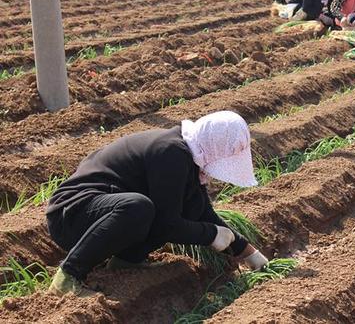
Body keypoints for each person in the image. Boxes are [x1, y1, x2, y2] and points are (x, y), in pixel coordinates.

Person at [46, 111, 269, 297]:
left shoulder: (189, 157)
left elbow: (200, 212)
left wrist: (247, 251)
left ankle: (127, 261)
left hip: (100, 215)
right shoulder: (171, 152)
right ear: (214, 146)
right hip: (72, 214)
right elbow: (167, 225)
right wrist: (211, 234)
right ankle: (68, 275)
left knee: (162, 207)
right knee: (139, 207)